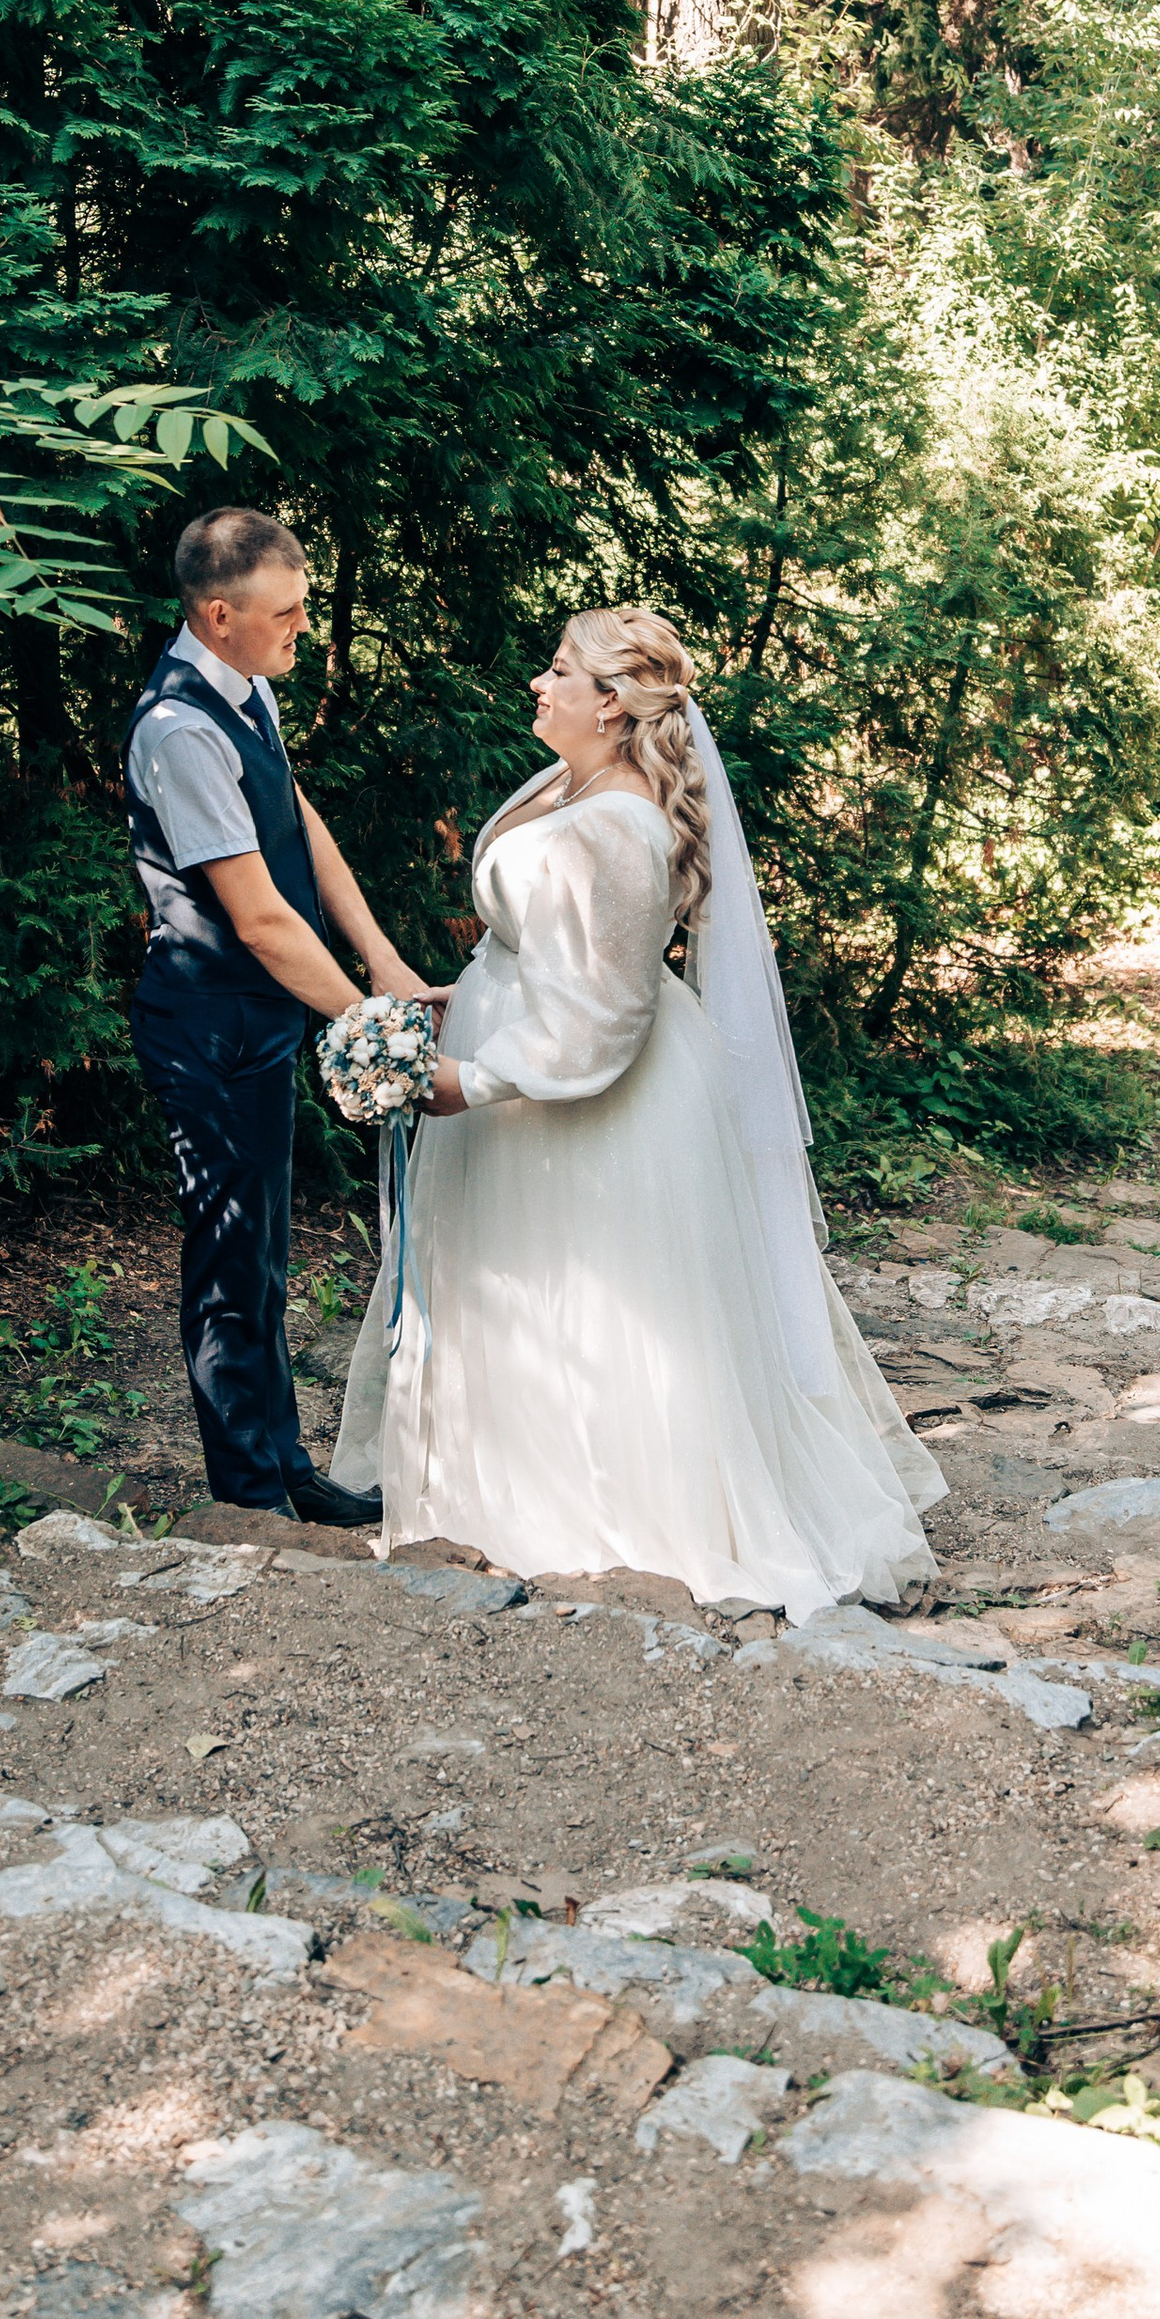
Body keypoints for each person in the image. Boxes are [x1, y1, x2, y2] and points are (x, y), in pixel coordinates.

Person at [332, 606, 944, 1615]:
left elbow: (602, 1017)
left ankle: (598, 1521)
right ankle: (489, 1507)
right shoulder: (565, 785)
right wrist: (461, 999)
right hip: (518, 1077)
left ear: (610, 703)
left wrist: (466, 1079)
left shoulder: (619, 825)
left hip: (583, 1110)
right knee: (524, 1297)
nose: (539, 680)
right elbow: (545, 948)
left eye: (561, 669)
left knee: (595, 1301)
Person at [126, 508, 428, 1526]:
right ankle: (250, 1497)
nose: (303, 625)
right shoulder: (176, 730)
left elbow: (298, 818)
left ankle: (282, 1462)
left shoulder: (246, 688)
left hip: (260, 1020)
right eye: (286, 610)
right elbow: (255, 916)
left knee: (265, 1253)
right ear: (220, 615)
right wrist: (367, 1027)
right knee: (227, 1256)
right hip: (206, 1022)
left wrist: (380, 960)